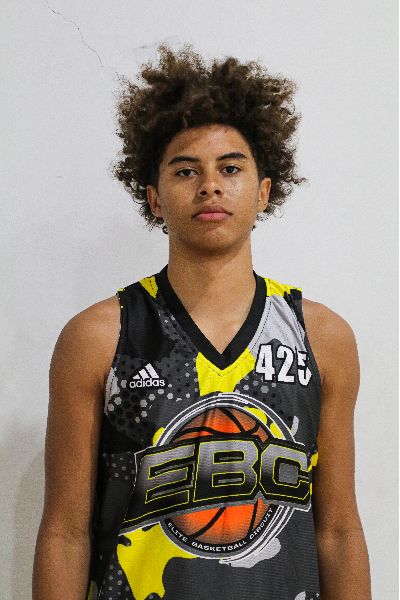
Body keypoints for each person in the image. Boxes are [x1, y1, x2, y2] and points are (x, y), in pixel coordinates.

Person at [33, 47, 372, 600]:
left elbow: (337, 530)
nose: (210, 186)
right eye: (185, 170)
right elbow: (66, 534)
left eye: (230, 169)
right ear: (153, 198)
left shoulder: (323, 337)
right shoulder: (98, 337)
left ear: (263, 192)